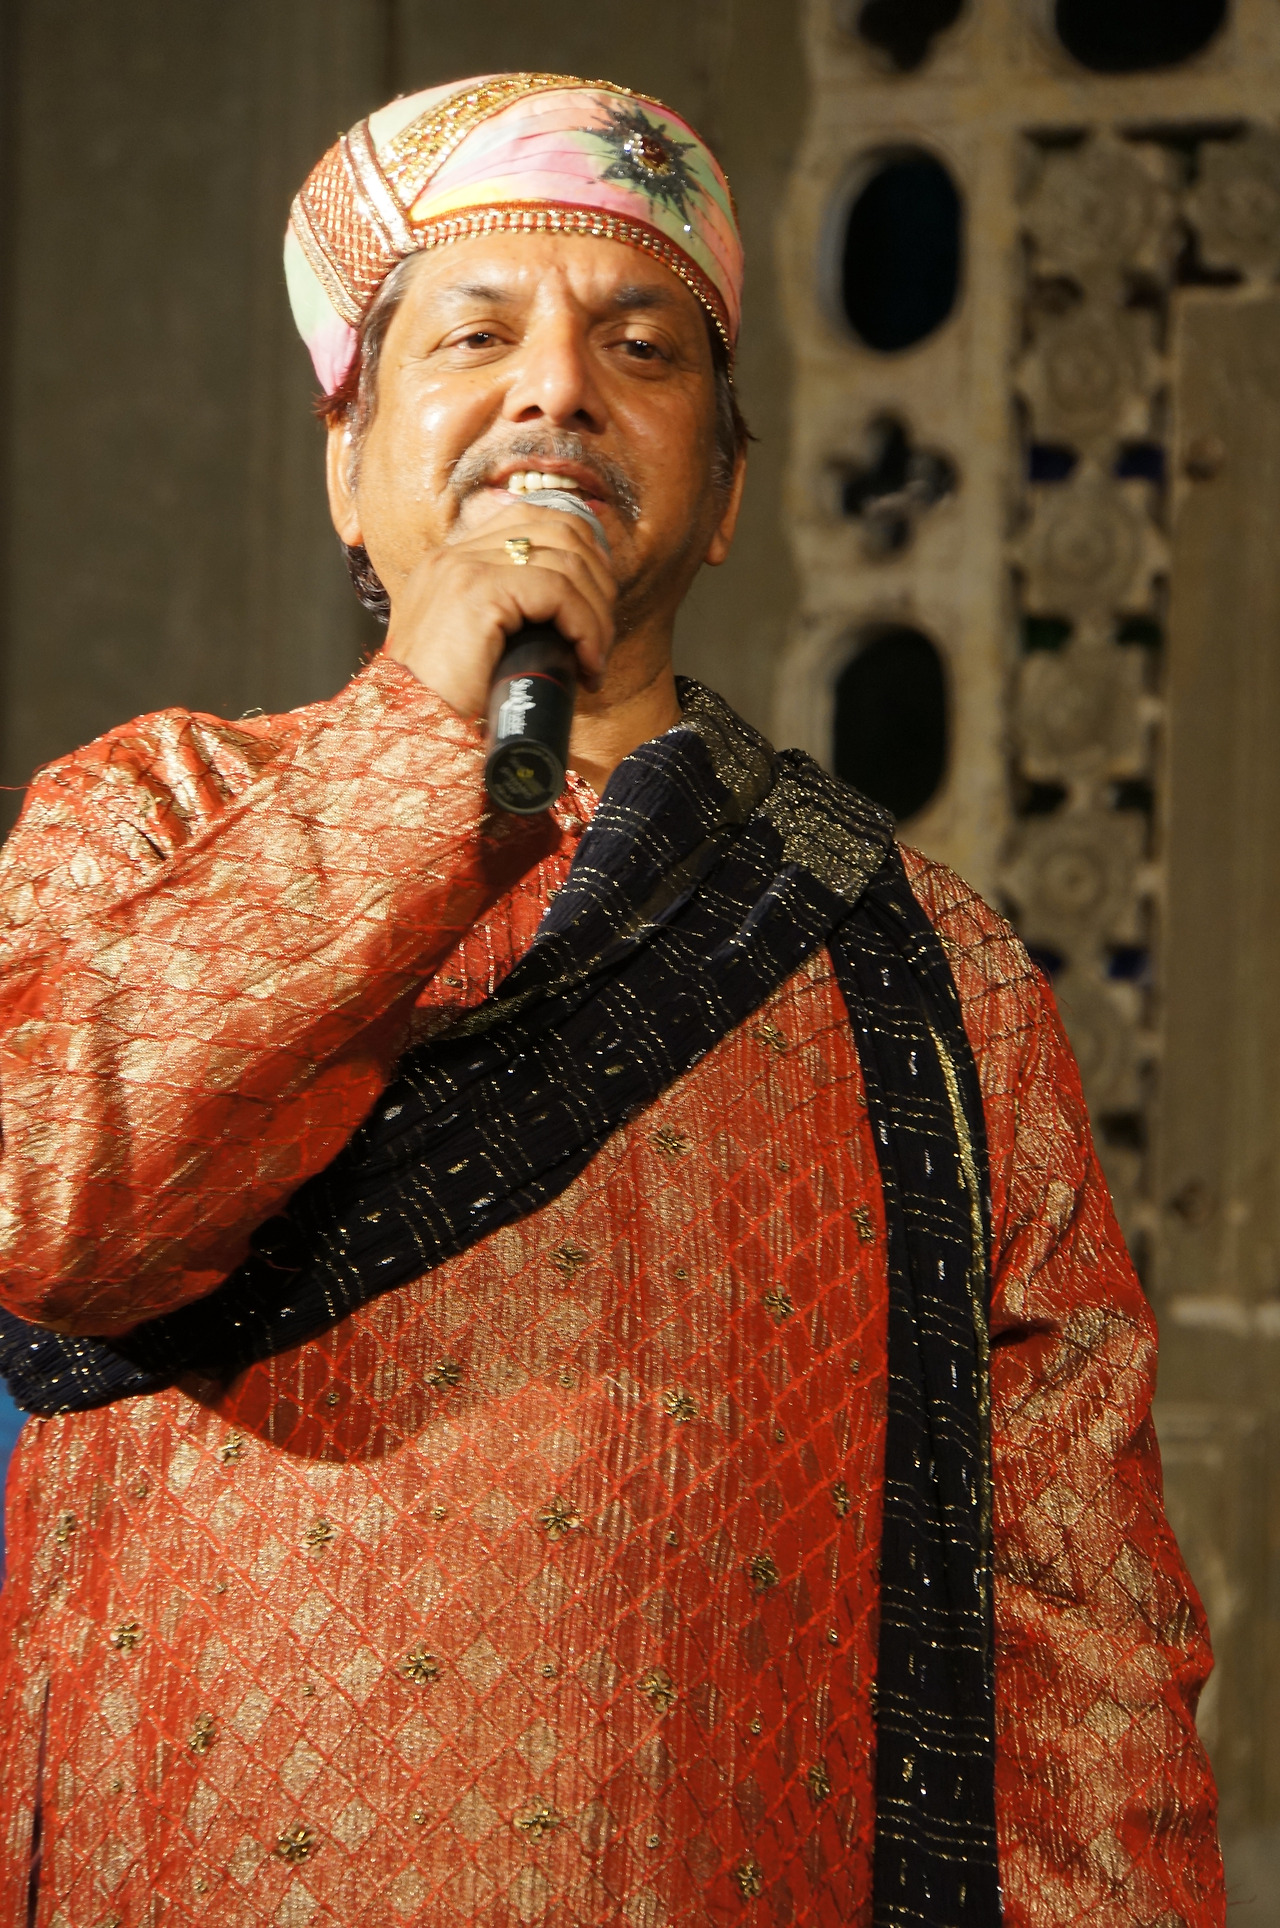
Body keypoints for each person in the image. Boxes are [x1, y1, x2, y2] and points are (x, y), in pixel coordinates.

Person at [0, 73, 1222, 1928]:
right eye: (474, 337)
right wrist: (426, 742)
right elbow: (47, 1199)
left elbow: (1087, 1653)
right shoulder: (150, 815)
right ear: (345, 464)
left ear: (724, 493)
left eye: (641, 346)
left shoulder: (926, 965)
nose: (558, 389)